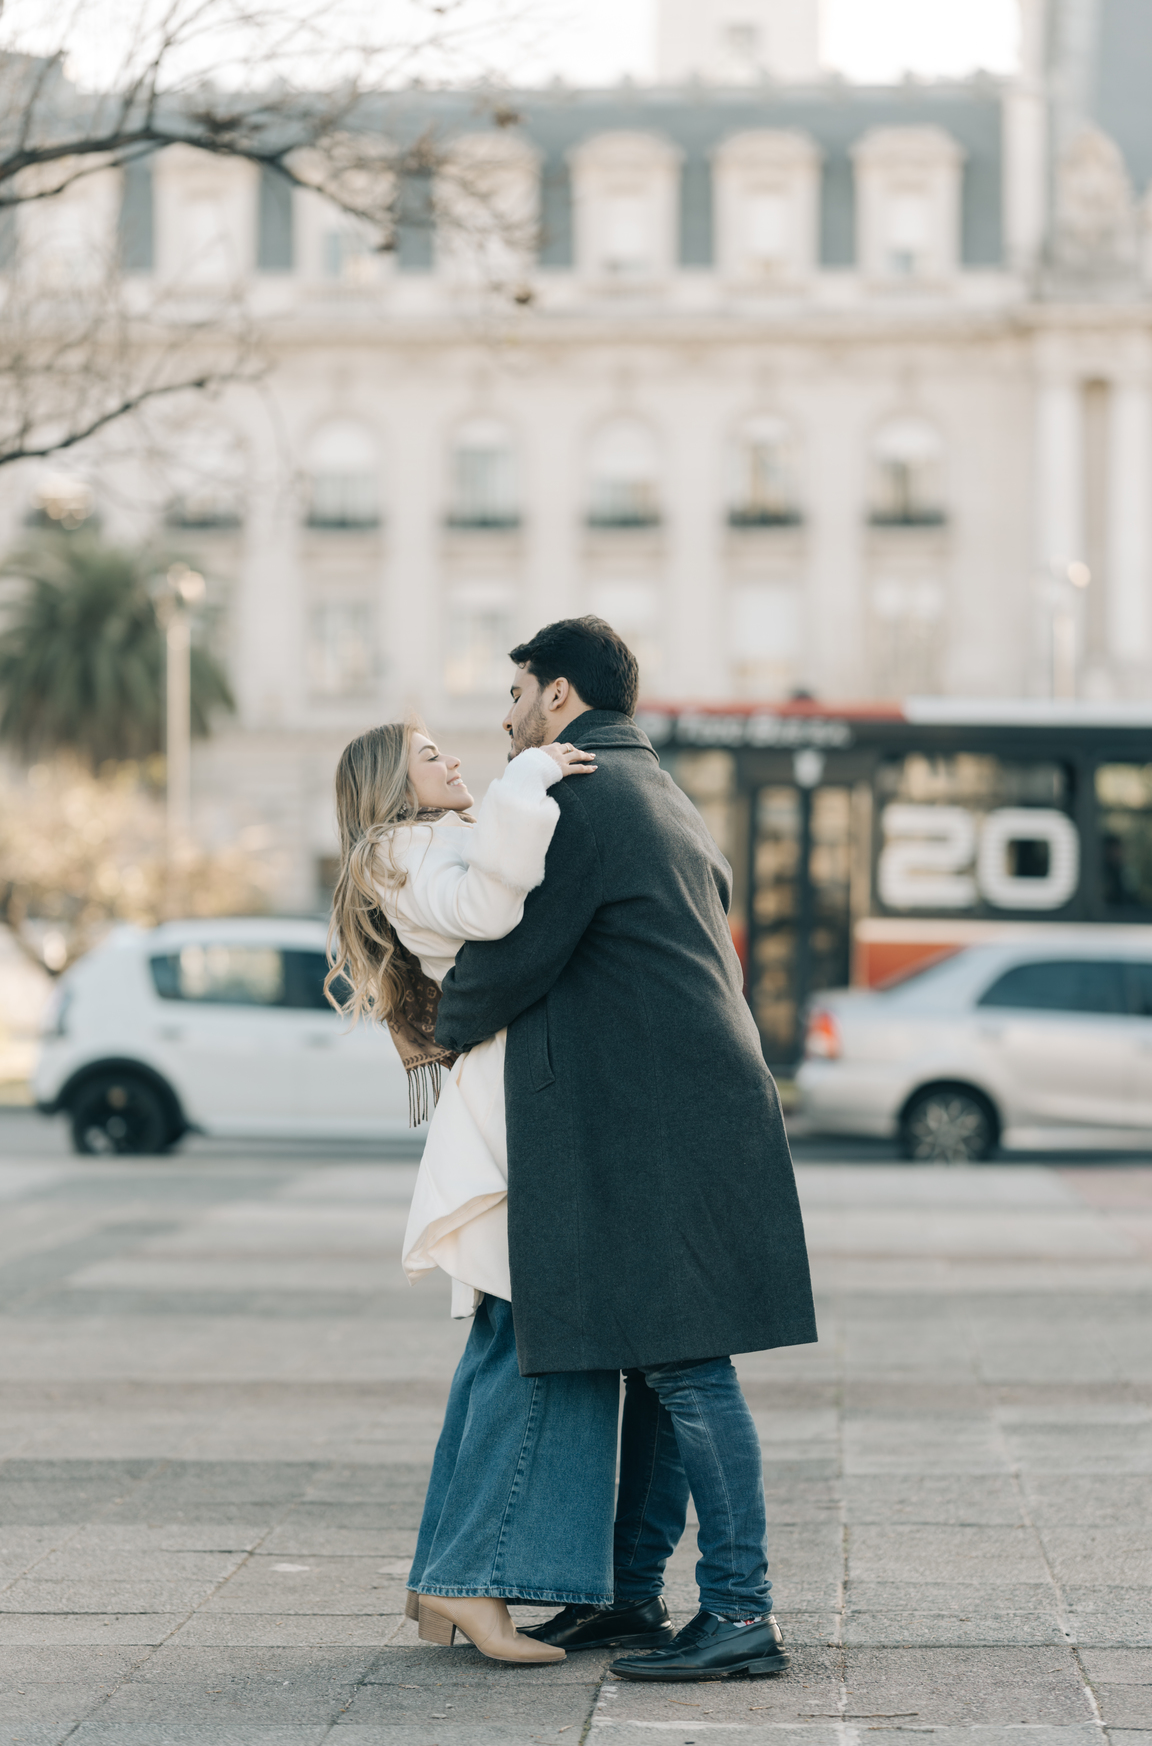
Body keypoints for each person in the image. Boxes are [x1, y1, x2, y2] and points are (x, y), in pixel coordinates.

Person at [435, 615, 819, 1683]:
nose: (506, 720)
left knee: (691, 1372)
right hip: (686, 1112)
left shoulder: (584, 796)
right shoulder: (656, 787)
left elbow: (513, 952)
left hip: (664, 1123)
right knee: (660, 1368)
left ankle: (741, 1612)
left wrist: (434, 1021)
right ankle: (636, 1599)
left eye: (515, 697)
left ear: (559, 696)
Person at [326, 720, 622, 1667]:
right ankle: (469, 1580)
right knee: (537, 1352)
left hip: (505, 1105)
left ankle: (444, 1581)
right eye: (427, 754)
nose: (452, 758)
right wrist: (530, 772)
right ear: (391, 785)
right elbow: (493, 911)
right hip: (510, 1116)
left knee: (505, 1350)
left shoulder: (413, 846)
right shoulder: (404, 849)